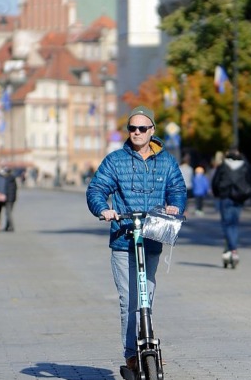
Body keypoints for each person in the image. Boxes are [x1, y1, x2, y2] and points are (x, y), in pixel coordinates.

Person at [86, 105, 186, 372]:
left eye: (143, 128)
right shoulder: (116, 160)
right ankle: (132, 354)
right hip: (123, 238)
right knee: (128, 300)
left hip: (151, 237)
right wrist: (103, 209)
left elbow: (177, 188)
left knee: (146, 297)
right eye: (132, 128)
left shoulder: (165, 160)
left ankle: (147, 345)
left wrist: (175, 205)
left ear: (152, 130)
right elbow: (97, 188)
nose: (137, 132)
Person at [212, 147, 251, 267]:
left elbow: (215, 182)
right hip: (239, 198)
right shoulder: (244, 165)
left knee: (227, 224)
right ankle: (230, 250)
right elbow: (249, 180)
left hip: (226, 197)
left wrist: (217, 194)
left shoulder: (223, 165)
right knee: (234, 224)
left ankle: (232, 250)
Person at [1, 166, 18, 232]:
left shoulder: (7, 179)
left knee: (8, 213)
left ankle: (11, 226)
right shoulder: (12, 179)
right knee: (9, 212)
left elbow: (5, 189)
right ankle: (7, 226)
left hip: (8, 198)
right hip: (12, 198)